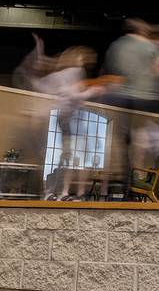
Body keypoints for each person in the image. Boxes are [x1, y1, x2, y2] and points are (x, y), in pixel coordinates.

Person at [33, 46, 107, 200]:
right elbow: (72, 94)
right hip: (61, 119)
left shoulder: (67, 73)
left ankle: (55, 192)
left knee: (64, 157)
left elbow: (63, 92)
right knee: (59, 156)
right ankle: (51, 192)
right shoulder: (75, 71)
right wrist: (93, 92)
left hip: (62, 119)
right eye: (86, 58)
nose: (88, 62)